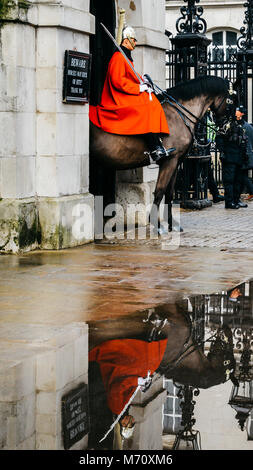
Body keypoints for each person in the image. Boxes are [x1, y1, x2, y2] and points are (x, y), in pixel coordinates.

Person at [89, 25, 173, 163]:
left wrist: (143, 81)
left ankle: (156, 143)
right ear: (126, 41)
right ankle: (154, 148)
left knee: (150, 101)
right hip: (117, 97)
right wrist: (138, 88)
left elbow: (131, 76)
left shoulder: (125, 57)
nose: (135, 42)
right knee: (145, 106)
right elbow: (118, 81)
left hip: (125, 93)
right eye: (133, 40)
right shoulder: (118, 57)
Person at [216, 112, 248, 209]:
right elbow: (218, 139)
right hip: (229, 157)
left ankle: (236, 200)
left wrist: (244, 154)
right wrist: (222, 152)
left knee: (238, 181)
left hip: (238, 157)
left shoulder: (239, 125)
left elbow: (243, 140)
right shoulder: (225, 126)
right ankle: (229, 202)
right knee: (229, 181)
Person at [235, 106, 253, 201]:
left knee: (242, 175)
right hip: (246, 153)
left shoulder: (245, 127)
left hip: (244, 154)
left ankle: (251, 191)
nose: (236, 112)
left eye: (238, 111)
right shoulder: (248, 126)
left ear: (242, 114)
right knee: (243, 174)